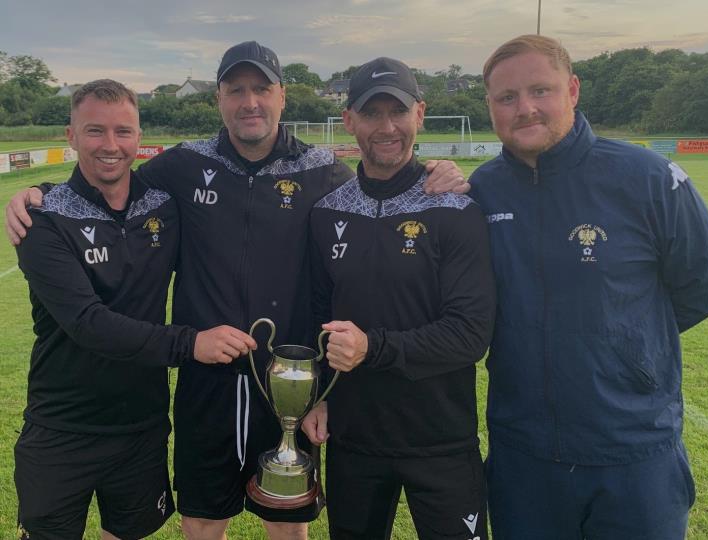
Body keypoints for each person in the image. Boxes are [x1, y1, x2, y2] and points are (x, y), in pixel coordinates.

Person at [4, 41, 467, 540]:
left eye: (261, 89)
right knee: (203, 520)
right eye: (236, 90)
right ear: (219, 99)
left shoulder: (323, 171)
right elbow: (112, 182)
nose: (250, 102)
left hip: (289, 380)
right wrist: (41, 194)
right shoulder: (181, 167)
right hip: (206, 381)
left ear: (282, 96)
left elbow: (382, 190)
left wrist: (436, 174)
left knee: (287, 523)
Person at [468, 35, 708, 539]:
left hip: (636, 452)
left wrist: (622, 340)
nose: (525, 108)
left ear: (572, 90)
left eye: (540, 91)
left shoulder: (646, 176)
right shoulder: (481, 190)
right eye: (507, 97)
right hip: (524, 455)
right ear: (490, 106)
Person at [13, 79, 254, 540]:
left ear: (139, 138)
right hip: (63, 426)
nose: (110, 145)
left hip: (141, 426)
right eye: (94, 131)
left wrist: (438, 172)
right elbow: (88, 324)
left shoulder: (165, 205)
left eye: (123, 132)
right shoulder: (44, 221)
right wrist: (191, 343)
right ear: (71, 135)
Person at [301, 57, 496, 540]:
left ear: (420, 115)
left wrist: (374, 348)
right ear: (349, 121)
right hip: (354, 436)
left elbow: (470, 335)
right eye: (371, 113)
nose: (386, 127)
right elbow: (317, 313)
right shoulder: (328, 211)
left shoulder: (456, 208)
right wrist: (317, 393)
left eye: (398, 112)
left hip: (440, 439)